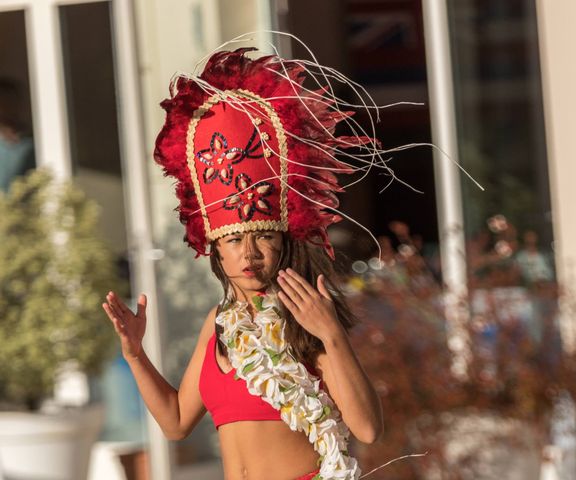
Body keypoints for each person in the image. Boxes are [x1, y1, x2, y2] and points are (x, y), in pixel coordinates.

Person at [102, 47, 384, 480]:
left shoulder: (307, 315)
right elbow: (176, 422)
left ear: (284, 241)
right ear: (214, 247)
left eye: (265, 237)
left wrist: (330, 333)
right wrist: (135, 354)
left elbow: (367, 429)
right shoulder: (218, 323)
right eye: (234, 240)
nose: (250, 254)